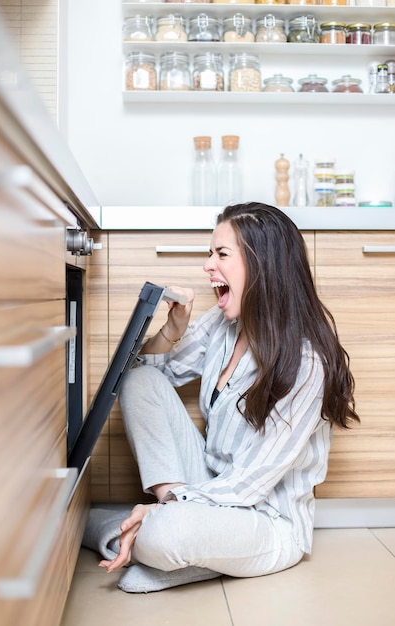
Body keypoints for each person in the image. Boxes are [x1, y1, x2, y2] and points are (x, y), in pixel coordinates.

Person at [99, 202, 359, 593]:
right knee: (141, 381)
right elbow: (144, 375)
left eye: (221, 254)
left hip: (266, 520)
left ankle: (131, 532)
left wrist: (168, 508)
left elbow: (249, 485)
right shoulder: (221, 324)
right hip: (208, 486)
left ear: (263, 266)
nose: (208, 265)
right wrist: (171, 329)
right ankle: (157, 537)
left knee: (164, 532)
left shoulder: (306, 363)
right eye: (210, 253)